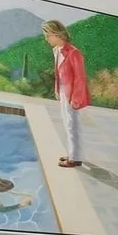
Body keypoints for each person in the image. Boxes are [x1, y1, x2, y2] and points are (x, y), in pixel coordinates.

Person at [43, 19, 90, 168]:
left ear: (57, 34)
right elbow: (58, 73)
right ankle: (73, 154)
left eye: (48, 35)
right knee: (67, 123)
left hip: (73, 94)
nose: (46, 39)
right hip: (64, 92)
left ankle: (75, 158)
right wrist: (57, 89)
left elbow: (80, 78)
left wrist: (76, 99)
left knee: (72, 125)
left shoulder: (74, 53)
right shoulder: (57, 51)